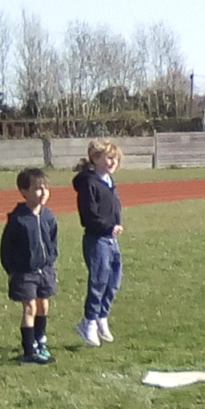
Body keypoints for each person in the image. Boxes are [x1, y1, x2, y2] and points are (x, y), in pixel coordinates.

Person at [0, 167, 59, 364]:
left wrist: (51, 260)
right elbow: (7, 247)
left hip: (45, 270)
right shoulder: (18, 219)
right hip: (25, 272)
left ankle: (41, 340)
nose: (43, 193)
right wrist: (11, 271)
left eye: (45, 188)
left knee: (43, 304)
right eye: (37, 189)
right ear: (24, 192)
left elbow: (52, 239)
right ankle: (29, 350)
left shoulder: (48, 215)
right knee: (30, 307)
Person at [72, 140, 124, 347]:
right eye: (108, 158)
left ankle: (102, 315)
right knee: (99, 281)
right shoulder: (89, 183)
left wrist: (115, 225)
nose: (113, 162)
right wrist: (107, 227)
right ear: (95, 159)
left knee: (114, 280)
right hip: (97, 239)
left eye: (116, 159)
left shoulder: (109, 181)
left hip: (112, 239)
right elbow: (88, 215)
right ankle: (89, 322)